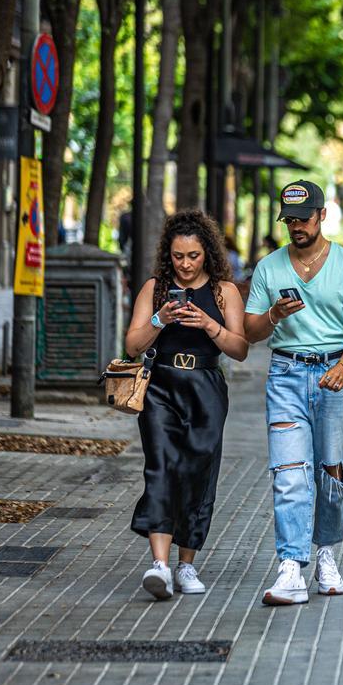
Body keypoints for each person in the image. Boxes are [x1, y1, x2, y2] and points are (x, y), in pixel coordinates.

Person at [244, 180, 343, 606]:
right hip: (286, 375)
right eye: (290, 221)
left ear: (321, 216)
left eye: (303, 219)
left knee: (331, 474)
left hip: (336, 378)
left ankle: (326, 554)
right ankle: (290, 565)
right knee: (289, 473)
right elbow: (250, 332)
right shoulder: (269, 268)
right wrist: (273, 315)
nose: (296, 227)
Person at [124, 210, 249, 600]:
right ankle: (159, 565)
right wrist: (160, 319)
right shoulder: (155, 289)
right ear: (169, 254)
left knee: (197, 472)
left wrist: (209, 326)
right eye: (178, 256)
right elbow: (132, 345)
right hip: (161, 385)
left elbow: (241, 349)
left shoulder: (223, 292)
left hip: (206, 387)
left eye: (193, 256)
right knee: (161, 467)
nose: (186, 264)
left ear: (206, 253)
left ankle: (186, 564)